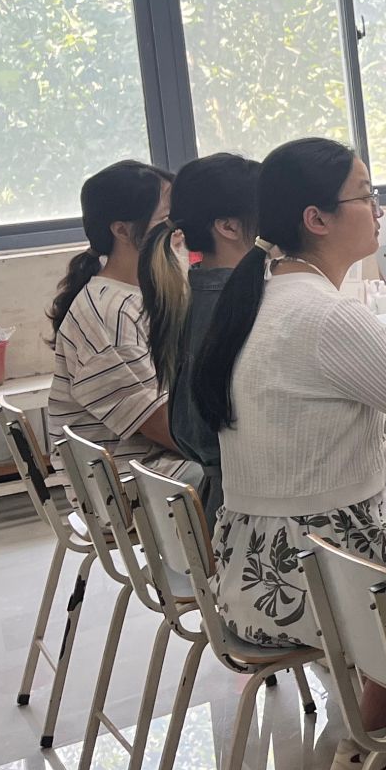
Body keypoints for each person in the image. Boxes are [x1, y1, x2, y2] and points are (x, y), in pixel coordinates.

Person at [190, 138, 386, 656]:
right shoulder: (328, 315)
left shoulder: (258, 294)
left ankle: (379, 700)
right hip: (317, 587)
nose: (378, 209)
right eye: (367, 195)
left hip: (250, 576)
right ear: (317, 218)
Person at [137, 152, 261, 519]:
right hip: (244, 507)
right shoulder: (241, 304)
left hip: (218, 501)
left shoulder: (188, 293)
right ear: (229, 226)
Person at [47, 161, 191, 474]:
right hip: (141, 479)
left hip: (158, 466)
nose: (179, 231)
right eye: (166, 220)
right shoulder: (108, 314)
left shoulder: (143, 295)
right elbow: (163, 425)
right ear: (122, 230)